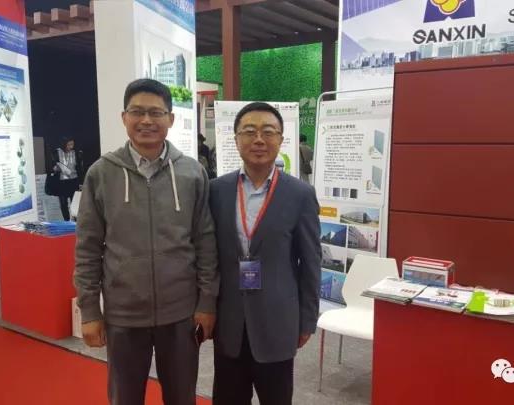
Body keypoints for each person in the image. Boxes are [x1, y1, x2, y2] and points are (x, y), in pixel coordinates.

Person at [74, 78, 218, 405]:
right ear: (124, 117)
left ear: (171, 118)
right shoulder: (101, 173)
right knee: (125, 398)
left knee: (181, 397)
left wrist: (207, 302)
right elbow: (87, 248)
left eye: (156, 112)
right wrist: (89, 310)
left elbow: (206, 243)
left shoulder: (192, 173)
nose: (146, 120)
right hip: (123, 314)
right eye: (137, 112)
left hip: (181, 314)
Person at [209, 102, 322, 405]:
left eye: (268, 132)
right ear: (236, 139)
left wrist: (307, 319)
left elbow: (311, 261)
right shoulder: (216, 190)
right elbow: (208, 257)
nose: (259, 139)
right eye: (249, 131)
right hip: (230, 320)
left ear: (281, 139)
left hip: (278, 321)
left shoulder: (299, 194)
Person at [52, 137, 83, 221]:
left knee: (75, 203)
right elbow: (51, 166)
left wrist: (81, 182)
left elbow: (80, 168)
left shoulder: (76, 152)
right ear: (64, 144)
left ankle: (76, 222)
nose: (71, 147)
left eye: (72, 144)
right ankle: (66, 221)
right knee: (63, 204)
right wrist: (55, 168)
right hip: (62, 182)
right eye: (69, 144)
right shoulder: (56, 152)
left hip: (74, 181)